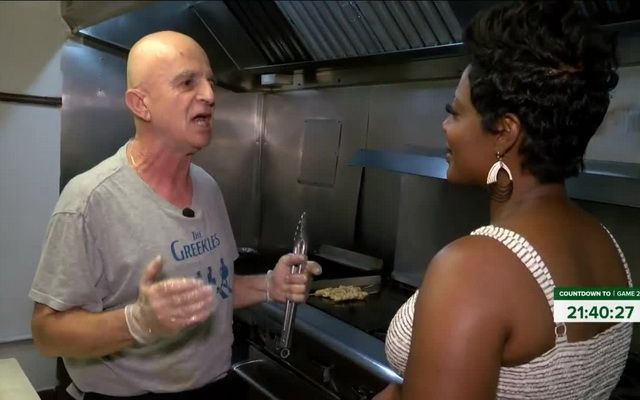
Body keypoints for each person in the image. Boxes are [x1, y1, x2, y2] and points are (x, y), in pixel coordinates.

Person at [29, 31, 321, 400]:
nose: (210, 95)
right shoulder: (89, 201)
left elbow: (212, 289)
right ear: (141, 104)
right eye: (187, 82)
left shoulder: (207, 188)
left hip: (214, 389)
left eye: (210, 82)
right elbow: (47, 333)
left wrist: (268, 285)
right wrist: (137, 322)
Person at [375, 2, 632, 399]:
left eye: (455, 113)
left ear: (504, 133)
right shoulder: (609, 250)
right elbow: (564, 361)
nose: (445, 127)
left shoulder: (472, 271)